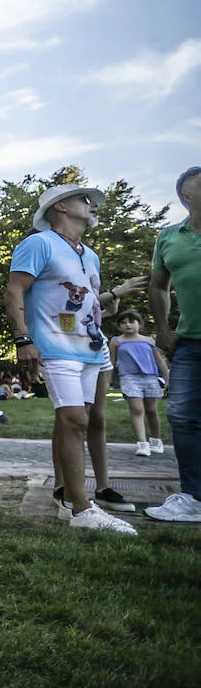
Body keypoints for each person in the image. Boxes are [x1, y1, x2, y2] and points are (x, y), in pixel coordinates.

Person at [6, 183, 136, 534]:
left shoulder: (89, 254)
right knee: (74, 419)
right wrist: (23, 340)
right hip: (54, 347)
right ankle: (82, 510)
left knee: (77, 420)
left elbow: (82, 305)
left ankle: (66, 497)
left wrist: (106, 307)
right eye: (85, 199)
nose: (92, 204)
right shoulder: (38, 243)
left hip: (90, 349)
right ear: (60, 207)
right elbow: (14, 290)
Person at [146, 166, 201, 522]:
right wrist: (163, 329)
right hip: (190, 344)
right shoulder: (168, 238)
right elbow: (157, 286)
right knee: (182, 417)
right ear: (186, 196)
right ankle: (194, 498)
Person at [110, 309, 169, 457]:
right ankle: (142, 444)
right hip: (129, 378)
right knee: (137, 409)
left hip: (150, 377)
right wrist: (107, 380)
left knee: (151, 410)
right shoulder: (116, 341)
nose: (127, 325)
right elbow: (111, 362)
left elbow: (159, 361)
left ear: (139, 324)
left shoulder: (148, 341)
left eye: (131, 321)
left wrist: (168, 379)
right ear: (119, 327)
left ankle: (156, 441)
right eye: (123, 323)